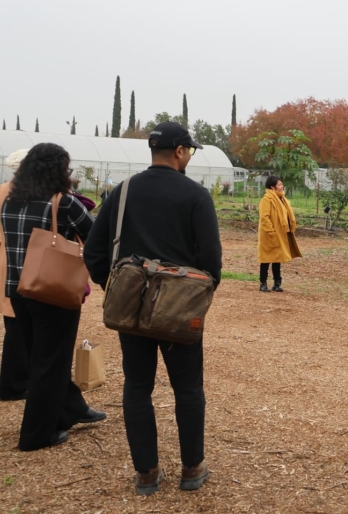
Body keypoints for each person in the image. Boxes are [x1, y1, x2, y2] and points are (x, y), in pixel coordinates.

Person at [84, 122, 222, 496]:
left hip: (132, 309)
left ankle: (146, 473)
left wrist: (117, 289)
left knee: (137, 387)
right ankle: (192, 468)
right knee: (188, 388)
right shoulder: (196, 196)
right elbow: (212, 261)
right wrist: (195, 295)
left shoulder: (123, 191)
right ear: (179, 152)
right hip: (179, 309)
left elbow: (93, 252)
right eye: (189, 151)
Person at [0, 143, 105, 450]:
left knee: (38, 359)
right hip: (52, 291)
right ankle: (36, 435)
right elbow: (95, 236)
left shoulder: (10, 202)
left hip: (18, 290)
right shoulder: (63, 202)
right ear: (58, 170)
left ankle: (68, 411)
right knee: (52, 364)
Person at [0, 149, 30, 402]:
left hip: (4, 262)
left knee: (14, 324)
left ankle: (17, 380)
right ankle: (13, 384)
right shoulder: (24, 194)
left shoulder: (2, 191)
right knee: (18, 328)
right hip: (17, 263)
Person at [257, 175, 300, 292]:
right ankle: (263, 283)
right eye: (279, 185)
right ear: (272, 187)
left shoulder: (282, 199)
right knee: (266, 259)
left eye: (282, 184)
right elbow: (264, 218)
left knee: (277, 258)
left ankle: (277, 283)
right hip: (269, 234)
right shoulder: (266, 200)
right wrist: (271, 232)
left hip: (280, 234)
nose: (282, 186)